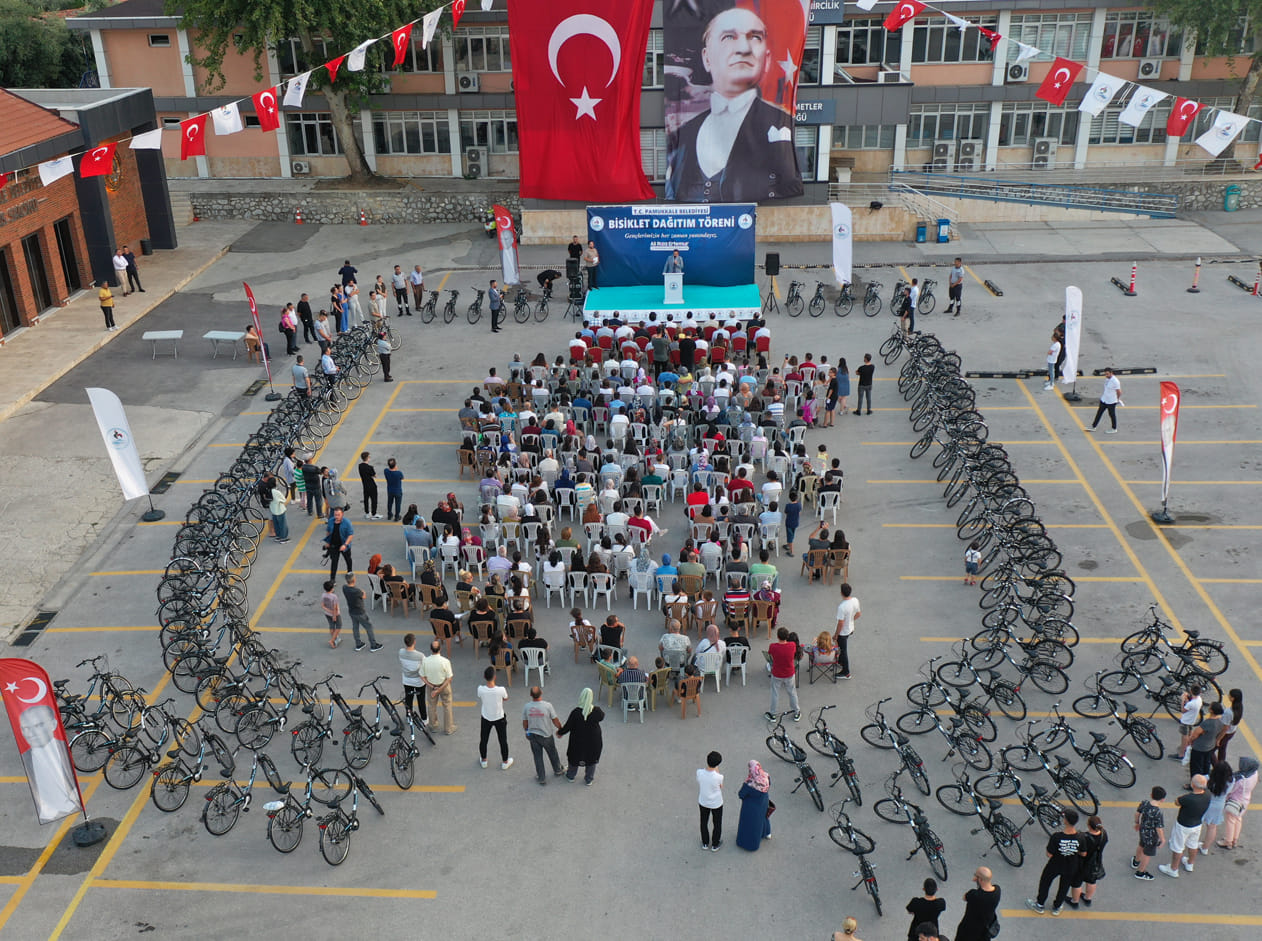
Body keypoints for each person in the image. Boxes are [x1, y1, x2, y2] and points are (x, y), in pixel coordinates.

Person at [665, 6, 800, 202]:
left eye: (755, 37)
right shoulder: (685, 133)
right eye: (728, 37)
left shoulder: (781, 122)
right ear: (706, 58)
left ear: (767, 59)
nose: (744, 49)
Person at [16, 704, 80, 824]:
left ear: (53, 725)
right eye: (25, 728)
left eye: (38, 725)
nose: (31, 733)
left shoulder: (65, 750)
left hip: (71, 805)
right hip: (47, 813)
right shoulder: (25, 758)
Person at [1026, 808, 1086, 915]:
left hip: (1055, 864)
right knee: (1064, 886)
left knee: (1045, 882)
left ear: (1066, 821)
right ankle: (1057, 906)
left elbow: (1049, 854)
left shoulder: (1057, 837)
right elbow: (1083, 853)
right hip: (1071, 866)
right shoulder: (1080, 837)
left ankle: (1040, 904)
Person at [1159, 774, 1210, 877]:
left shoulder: (1188, 798)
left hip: (1183, 825)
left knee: (1178, 847)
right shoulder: (1208, 794)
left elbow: (1177, 802)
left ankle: (1173, 869)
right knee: (1193, 844)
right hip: (1197, 824)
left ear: (1193, 785)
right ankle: (1190, 863)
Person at [557, 688, 605, 785]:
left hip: (577, 740)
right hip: (594, 741)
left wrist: (560, 732)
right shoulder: (597, 711)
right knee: (591, 759)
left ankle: (570, 776)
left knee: (574, 757)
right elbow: (602, 717)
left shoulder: (576, 712)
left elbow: (568, 726)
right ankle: (589, 779)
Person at [522, 686, 565, 785]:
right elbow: (555, 720)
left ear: (530, 695)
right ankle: (558, 770)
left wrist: (527, 731)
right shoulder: (547, 706)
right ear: (541, 693)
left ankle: (541, 778)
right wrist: (560, 729)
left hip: (533, 735)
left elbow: (525, 723)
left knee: (537, 757)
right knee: (552, 753)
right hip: (546, 735)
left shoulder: (527, 707)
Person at [476, 665, 512, 771]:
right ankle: (505, 761)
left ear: (484, 676)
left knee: (484, 739)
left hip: (486, 717)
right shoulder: (501, 690)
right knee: (502, 740)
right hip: (499, 718)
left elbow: (480, 696)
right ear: (495, 677)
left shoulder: (480, 689)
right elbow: (506, 698)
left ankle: (484, 760)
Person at [1219, 756, 1258, 849]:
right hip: (1245, 800)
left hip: (1235, 801)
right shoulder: (1254, 773)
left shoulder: (1241, 779)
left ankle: (1228, 841)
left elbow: (1231, 790)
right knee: (1238, 819)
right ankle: (1235, 839)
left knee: (1230, 821)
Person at [1068, 815, 1107, 908]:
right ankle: (1087, 898)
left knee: (1077, 883)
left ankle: (1075, 901)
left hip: (1082, 863)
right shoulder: (1104, 834)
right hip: (1095, 861)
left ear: (1089, 826)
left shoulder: (1084, 837)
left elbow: (1083, 853)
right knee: (1091, 881)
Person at [955, 867, 1001, 941]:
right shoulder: (997, 890)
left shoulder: (975, 895)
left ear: (980, 879)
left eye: (975, 876)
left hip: (968, 931)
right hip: (985, 932)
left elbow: (964, 897)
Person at [1131, 784, 1166, 880]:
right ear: (1163, 799)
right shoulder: (1158, 812)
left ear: (1151, 795)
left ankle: (1136, 861)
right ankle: (1140, 872)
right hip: (1152, 836)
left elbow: (1137, 813)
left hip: (1142, 830)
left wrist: (1137, 823)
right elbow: (1159, 828)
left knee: (1141, 845)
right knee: (1147, 854)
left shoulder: (1145, 803)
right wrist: (1162, 839)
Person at [735, 759, 771, 850]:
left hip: (750, 807)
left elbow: (741, 794)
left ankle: (748, 844)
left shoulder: (750, 783)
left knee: (749, 825)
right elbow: (769, 784)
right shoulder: (765, 776)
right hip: (763, 802)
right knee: (763, 817)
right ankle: (766, 833)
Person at [765, 627, 799, 722]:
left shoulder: (773, 646)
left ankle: (773, 714)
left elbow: (770, 654)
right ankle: (796, 711)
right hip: (789, 673)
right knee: (792, 693)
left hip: (777, 673)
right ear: (787, 636)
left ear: (777, 636)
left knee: (775, 693)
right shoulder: (792, 645)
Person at [423, 638, 456, 735]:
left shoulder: (426, 661)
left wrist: (433, 687)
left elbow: (422, 676)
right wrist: (440, 689)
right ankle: (448, 728)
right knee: (447, 706)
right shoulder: (445, 661)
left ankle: (433, 726)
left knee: (432, 706)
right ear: (440, 649)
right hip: (444, 686)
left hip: (431, 686)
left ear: (430, 649)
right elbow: (449, 678)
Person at [341, 573, 381, 652]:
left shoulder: (344, 588)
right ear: (354, 580)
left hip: (352, 611)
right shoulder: (357, 591)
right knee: (369, 627)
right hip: (360, 612)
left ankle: (358, 644)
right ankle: (373, 645)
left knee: (355, 627)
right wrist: (363, 592)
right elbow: (364, 596)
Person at [1199, 761, 1232, 855]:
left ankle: (1189, 842)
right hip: (1219, 805)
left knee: (1196, 824)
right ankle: (1205, 848)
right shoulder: (1231, 781)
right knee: (1212, 827)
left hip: (1206, 802)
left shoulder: (1209, 779)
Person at [1187, 701, 1226, 779]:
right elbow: (1223, 731)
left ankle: (1195, 783)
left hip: (1200, 747)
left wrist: (1190, 740)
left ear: (1211, 710)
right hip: (1210, 746)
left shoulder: (1207, 723)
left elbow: (1195, 734)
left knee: (1196, 766)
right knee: (1206, 764)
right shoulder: (1220, 722)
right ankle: (1205, 779)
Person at [697, 750, 724, 851]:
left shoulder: (699, 772)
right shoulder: (719, 777)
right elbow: (720, 786)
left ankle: (705, 843)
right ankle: (715, 844)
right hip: (716, 803)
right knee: (717, 823)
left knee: (703, 822)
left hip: (703, 801)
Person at [399, 632, 428, 725]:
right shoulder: (420, 656)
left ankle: (409, 716)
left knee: (408, 699)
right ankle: (424, 719)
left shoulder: (401, 652)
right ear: (414, 642)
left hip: (407, 680)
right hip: (418, 681)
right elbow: (425, 667)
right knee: (421, 700)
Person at [834, 582, 860, 680]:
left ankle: (846, 672)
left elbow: (840, 623)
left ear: (841, 593)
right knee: (842, 648)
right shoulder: (855, 600)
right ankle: (840, 662)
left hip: (843, 632)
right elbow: (858, 614)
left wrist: (836, 634)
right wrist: (851, 620)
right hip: (851, 628)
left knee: (843, 650)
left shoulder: (842, 607)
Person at [1086, 366, 1123, 434]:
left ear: (1111, 373)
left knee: (1112, 414)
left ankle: (1114, 428)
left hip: (1111, 401)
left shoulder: (1115, 381)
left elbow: (1119, 391)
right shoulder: (1107, 379)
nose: (1106, 375)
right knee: (1099, 413)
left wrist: (1117, 399)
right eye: (1105, 374)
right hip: (1104, 399)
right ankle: (1094, 426)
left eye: (1107, 374)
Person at [323, 507, 354, 579]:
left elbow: (350, 535)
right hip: (334, 545)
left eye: (338, 515)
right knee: (334, 562)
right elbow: (328, 531)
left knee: (348, 559)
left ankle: (349, 572)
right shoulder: (331, 521)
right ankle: (332, 579)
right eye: (335, 515)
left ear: (342, 514)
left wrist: (345, 545)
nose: (336, 517)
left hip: (344, 545)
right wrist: (327, 542)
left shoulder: (347, 523)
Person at [358, 452, 380, 520]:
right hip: (372, 485)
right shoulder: (370, 467)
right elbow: (375, 475)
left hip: (365, 485)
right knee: (374, 500)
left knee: (366, 499)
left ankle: (367, 513)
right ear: (367, 458)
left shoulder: (360, 466)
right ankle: (374, 513)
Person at [320, 579, 342, 648]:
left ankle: (336, 639)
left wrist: (329, 611)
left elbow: (323, 606)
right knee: (339, 626)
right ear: (332, 588)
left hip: (327, 614)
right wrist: (334, 615)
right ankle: (332, 640)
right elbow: (335, 608)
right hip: (336, 614)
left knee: (331, 626)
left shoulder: (323, 595)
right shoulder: (334, 597)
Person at [268, 475, 289, 544]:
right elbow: (283, 500)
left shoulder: (268, 491)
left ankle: (278, 536)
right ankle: (283, 538)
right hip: (279, 510)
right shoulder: (276, 492)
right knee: (283, 525)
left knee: (276, 524)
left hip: (273, 510)